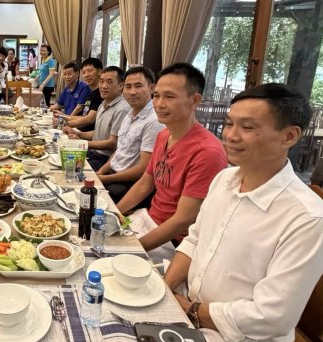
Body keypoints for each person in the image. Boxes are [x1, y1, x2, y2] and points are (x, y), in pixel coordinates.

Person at [164, 83, 323, 342]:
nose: (231, 135)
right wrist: (164, 293)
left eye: (247, 127)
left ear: (290, 136)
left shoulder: (308, 219)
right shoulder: (224, 179)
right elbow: (195, 240)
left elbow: (273, 316)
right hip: (190, 311)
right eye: (229, 123)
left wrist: (190, 310)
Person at [115, 63, 228, 262]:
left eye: (169, 96)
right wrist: (113, 214)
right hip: (147, 220)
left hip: (174, 242)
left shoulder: (207, 152)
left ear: (194, 101)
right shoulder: (164, 135)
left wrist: (133, 248)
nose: (159, 104)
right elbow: (145, 183)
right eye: (156, 95)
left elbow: (183, 220)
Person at [97, 66, 164, 205]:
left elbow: (143, 168)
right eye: (128, 87)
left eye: (138, 86)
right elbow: (120, 150)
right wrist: (101, 172)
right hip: (113, 175)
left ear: (152, 88)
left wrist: (106, 179)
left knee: (88, 201)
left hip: (129, 184)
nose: (132, 92)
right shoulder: (129, 114)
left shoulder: (154, 121)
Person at [63, 66, 128, 170]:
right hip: (94, 153)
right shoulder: (102, 105)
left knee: (69, 167)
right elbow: (98, 133)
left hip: (106, 159)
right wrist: (78, 134)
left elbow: (112, 143)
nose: (104, 86)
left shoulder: (122, 109)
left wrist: (83, 143)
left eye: (110, 82)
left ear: (121, 86)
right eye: (101, 81)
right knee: (61, 153)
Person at [62, 57, 103, 131]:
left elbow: (90, 119)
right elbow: (84, 116)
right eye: (84, 72)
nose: (86, 75)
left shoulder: (101, 93)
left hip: (86, 134)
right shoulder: (91, 93)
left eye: (89, 71)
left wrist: (65, 122)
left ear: (99, 71)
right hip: (78, 130)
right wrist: (63, 117)